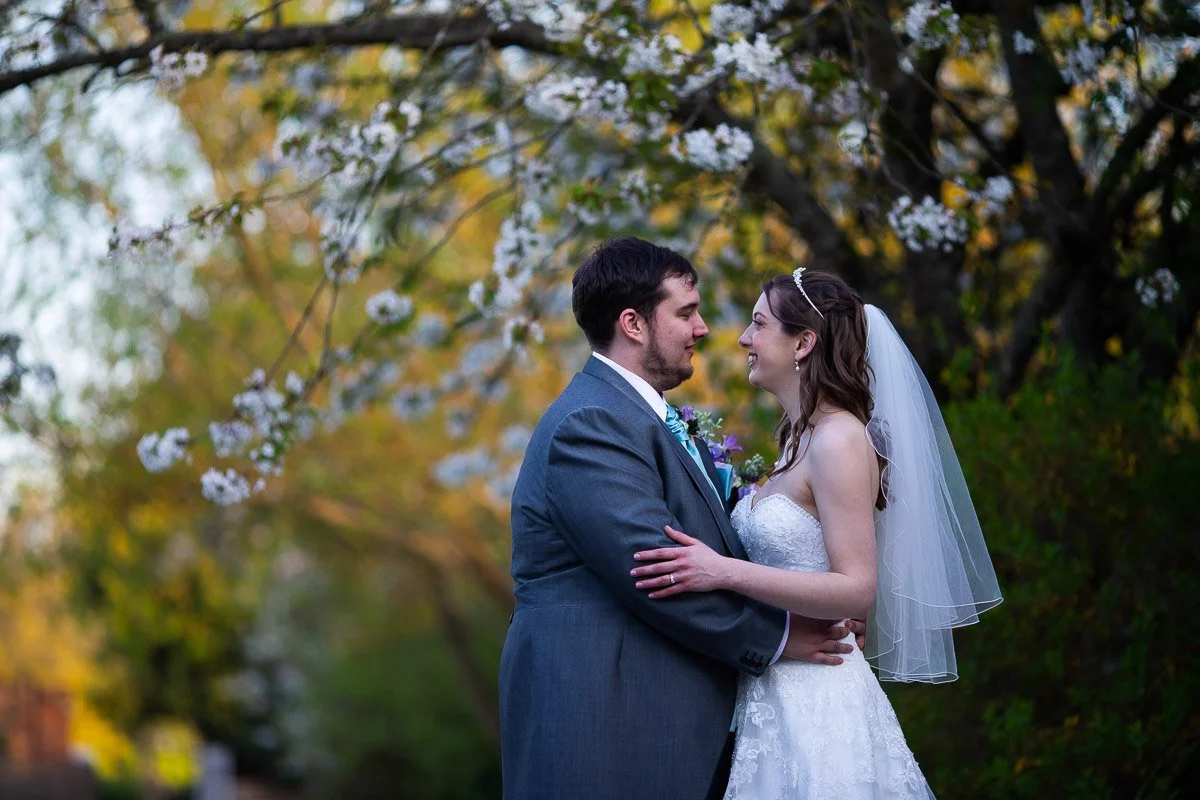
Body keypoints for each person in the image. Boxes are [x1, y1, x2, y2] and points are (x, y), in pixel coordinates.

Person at [499, 240, 863, 800]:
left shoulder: (647, 418)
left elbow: (718, 558)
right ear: (633, 324)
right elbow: (659, 571)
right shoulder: (591, 423)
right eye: (686, 312)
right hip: (607, 717)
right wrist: (786, 635)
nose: (704, 329)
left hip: (664, 717)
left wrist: (817, 598)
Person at [629, 269, 1003, 798]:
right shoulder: (795, 444)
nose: (743, 339)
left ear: (804, 341)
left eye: (759, 324)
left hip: (821, 702)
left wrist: (723, 572)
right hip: (773, 690)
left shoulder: (839, 440)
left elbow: (857, 587)